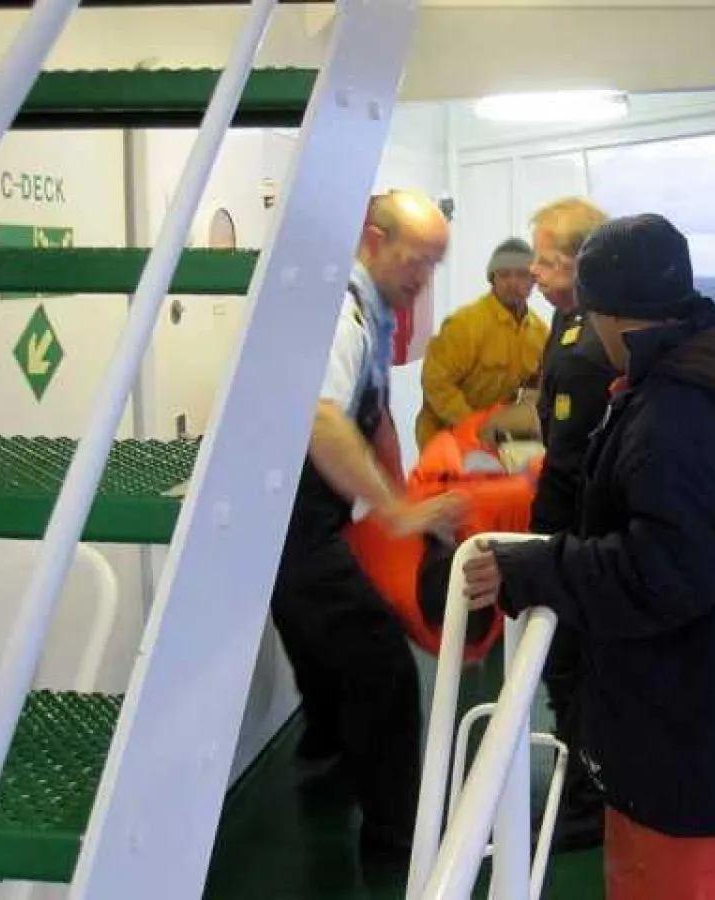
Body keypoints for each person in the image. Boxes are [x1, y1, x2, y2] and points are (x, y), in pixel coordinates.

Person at [463, 213, 715, 899]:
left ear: (612, 317)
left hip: (688, 744)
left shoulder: (677, 416)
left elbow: (664, 574)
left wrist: (533, 568)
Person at [270, 189, 464, 862]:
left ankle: (325, 750)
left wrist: (402, 503)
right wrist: (397, 511)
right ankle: (398, 836)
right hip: (284, 514)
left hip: (312, 508)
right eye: (418, 261)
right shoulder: (340, 314)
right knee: (381, 663)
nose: (424, 279)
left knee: (324, 638)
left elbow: (372, 411)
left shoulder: (375, 313)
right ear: (376, 242)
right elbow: (322, 419)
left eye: (436, 266)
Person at [525, 196, 614, 848]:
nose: (532, 270)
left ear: (581, 264)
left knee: (572, 668)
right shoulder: (568, 324)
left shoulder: (586, 348)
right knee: (569, 670)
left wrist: (538, 549)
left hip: (578, 537)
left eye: (545, 260)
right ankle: (584, 778)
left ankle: (587, 802)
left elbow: (570, 464)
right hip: (576, 534)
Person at [415, 238, 549, 450]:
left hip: (495, 442)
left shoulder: (540, 334)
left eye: (522, 275)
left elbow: (536, 390)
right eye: (504, 274)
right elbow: (436, 382)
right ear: (492, 278)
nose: (512, 282)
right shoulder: (464, 324)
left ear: (534, 280)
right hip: (445, 439)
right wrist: (474, 428)